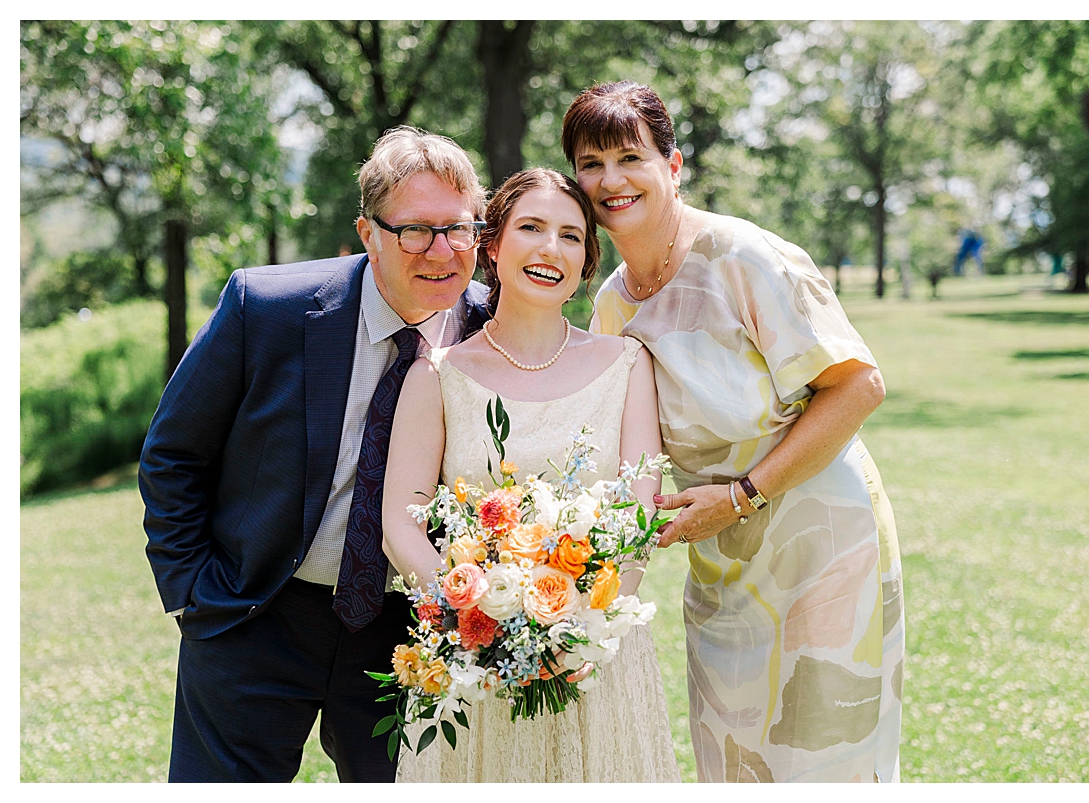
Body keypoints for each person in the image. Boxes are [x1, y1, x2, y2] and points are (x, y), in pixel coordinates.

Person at [569, 81, 903, 782]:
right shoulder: (610, 304)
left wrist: (744, 493)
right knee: (731, 756)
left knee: (820, 756)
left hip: (820, 538)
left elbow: (858, 386)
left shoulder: (742, 257)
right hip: (719, 561)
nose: (610, 180)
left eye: (629, 157)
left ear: (674, 164)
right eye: (590, 162)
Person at [139, 126, 494, 782]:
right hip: (259, 609)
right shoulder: (265, 307)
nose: (442, 251)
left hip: (407, 632)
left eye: (460, 228)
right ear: (367, 232)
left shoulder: (494, 329)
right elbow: (173, 452)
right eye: (415, 230)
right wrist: (191, 591)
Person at [378, 167, 680, 781]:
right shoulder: (437, 375)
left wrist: (581, 629)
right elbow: (400, 525)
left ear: (587, 260)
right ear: (491, 244)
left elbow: (639, 514)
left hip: (597, 658)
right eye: (532, 228)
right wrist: (478, 622)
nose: (551, 248)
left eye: (572, 236)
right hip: (475, 666)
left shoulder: (628, 364)